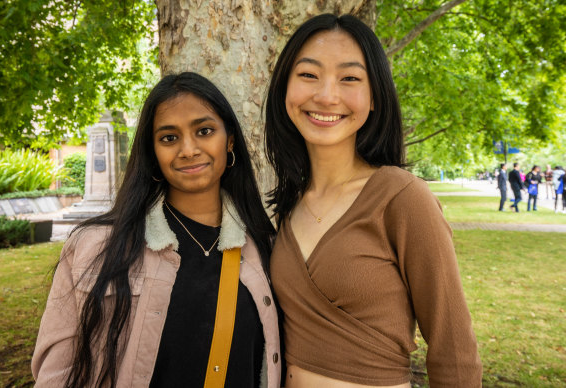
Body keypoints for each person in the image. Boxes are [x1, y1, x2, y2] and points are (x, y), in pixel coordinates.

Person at [264, 14, 482, 388]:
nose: (326, 95)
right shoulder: (288, 207)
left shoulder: (403, 197)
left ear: (375, 97)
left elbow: (454, 352)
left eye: (349, 78)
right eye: (308, 75)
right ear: (285, 88)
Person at [32, 73, 281, 388]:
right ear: (153, 151)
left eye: (204, 131)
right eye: (169, 138)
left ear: (229, 139)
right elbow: (57, 375)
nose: (188, 150)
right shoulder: (95, 247)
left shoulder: (266, 247)